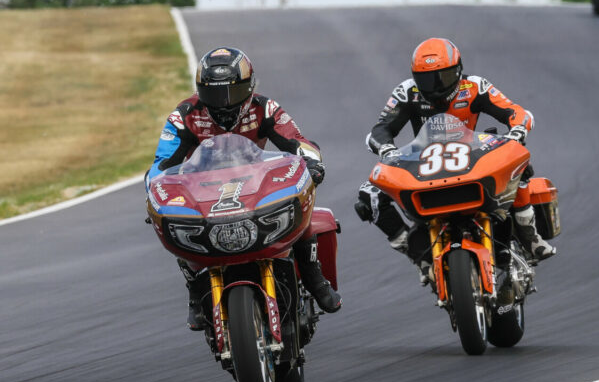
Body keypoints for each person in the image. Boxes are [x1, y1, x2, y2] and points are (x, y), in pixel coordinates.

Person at [146, 47, 341, 329]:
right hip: (205, 191)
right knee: (177, 224)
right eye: (213, 94)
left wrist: (313, 163)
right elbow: (162, 162)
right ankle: (195, 291)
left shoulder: (265, 107)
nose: (223, 103)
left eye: (232, 92)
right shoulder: (184, 114)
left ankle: (313, 276)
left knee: (300, 201)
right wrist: (154, 191)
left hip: (255, 183)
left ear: (248, 87)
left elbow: (298, 142)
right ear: (200, 90)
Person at [355, 37, 555, 281]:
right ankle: (417, 253)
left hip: (472, 154)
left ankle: (528, 233)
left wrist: (517, 130)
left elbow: (516, 112)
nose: (436, 86)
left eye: (444, 77)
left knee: (520, 164)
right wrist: (386, 149)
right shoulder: (408, 91)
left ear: (458, 70)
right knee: (369, 194)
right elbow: (381, 129)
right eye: (427, 79)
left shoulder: (475, 86)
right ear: (416, 77)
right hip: (425, 160)